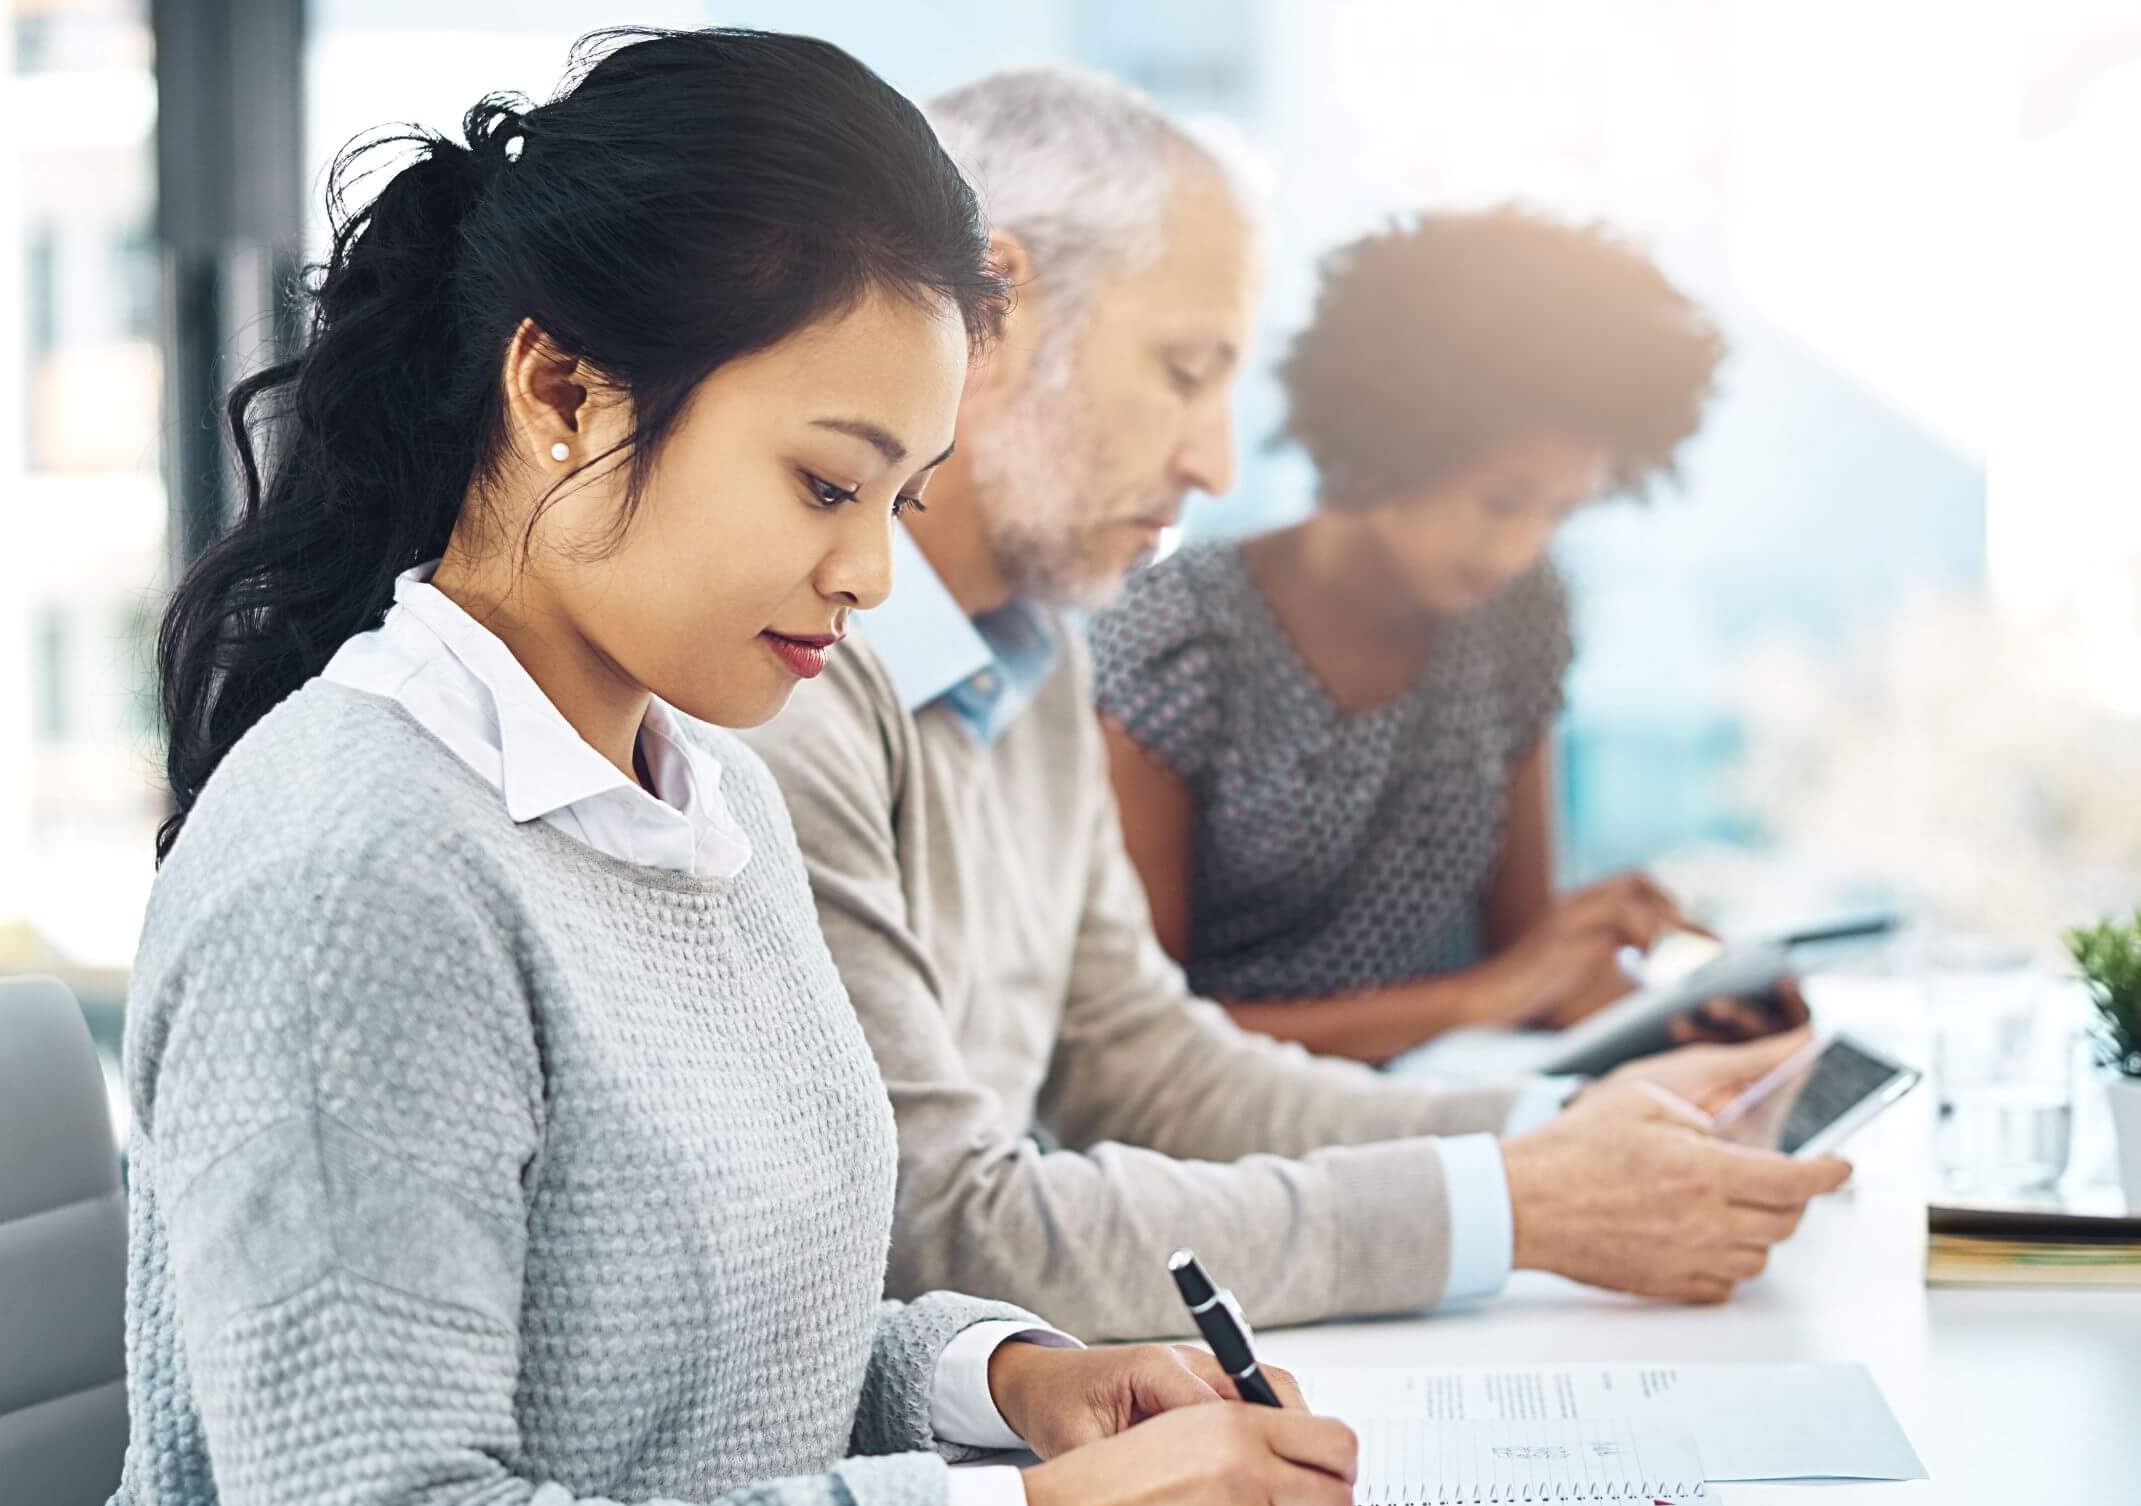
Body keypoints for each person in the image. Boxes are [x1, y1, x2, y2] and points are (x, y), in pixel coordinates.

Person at [74, 33, 1362, 1506]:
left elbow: (697, 1366)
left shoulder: (709, 791)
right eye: (826, 480)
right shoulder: (360, 875)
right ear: (561, 391)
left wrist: (1010, 1376)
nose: (869, 575)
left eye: (897, 501)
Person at [743, 69, 1849, 1346]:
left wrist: (1565, 1133)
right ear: (992, 313)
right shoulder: (785, 690)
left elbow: (1143, 1060)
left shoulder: (1039, 658)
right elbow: (926, 1220)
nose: (1215, 462)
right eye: (1183, 369)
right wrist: (1512, 1203)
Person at [1093, 207, 1763, 1067]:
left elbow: (1520, 958)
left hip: (1461, 1109)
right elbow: (1135, 1044)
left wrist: (1670, 1007)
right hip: (1233, 1158)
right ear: (1389, 445)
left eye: (1559, 511)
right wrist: (1479, 999)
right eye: (1499, 502)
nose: (1521, 549)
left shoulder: (1518, 615)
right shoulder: (1177, 629)